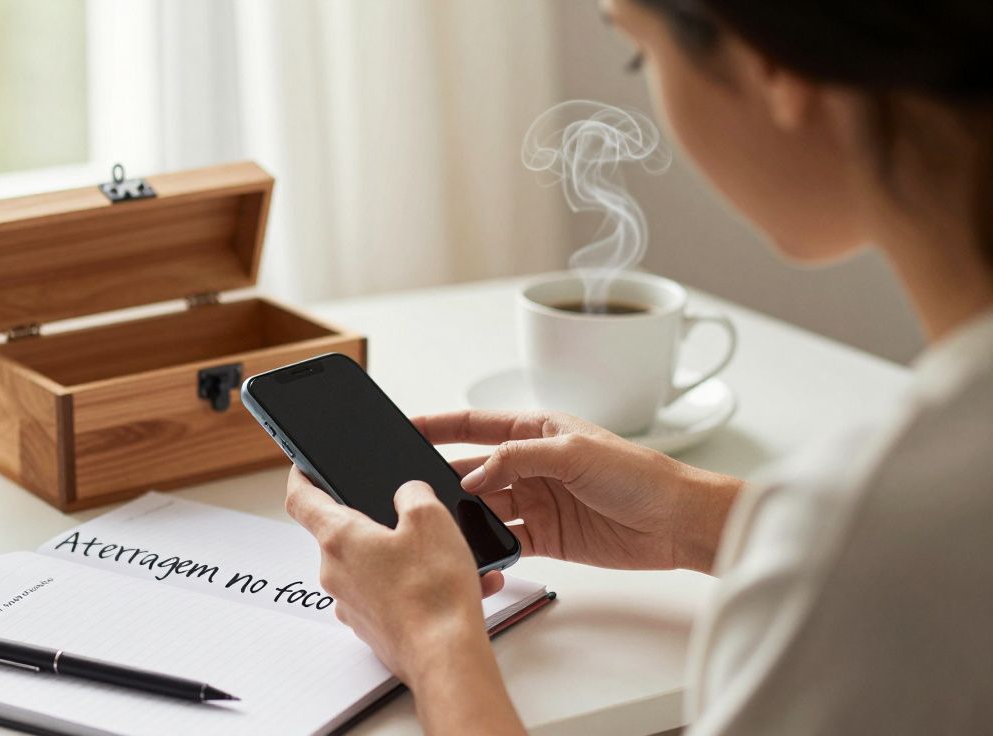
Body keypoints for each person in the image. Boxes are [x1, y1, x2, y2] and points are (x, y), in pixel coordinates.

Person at [283, 0, 993, 733]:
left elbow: (891, 558)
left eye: (637, 53)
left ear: (772, 66)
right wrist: (691, 518)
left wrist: (432, 639)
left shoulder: (877, 533)